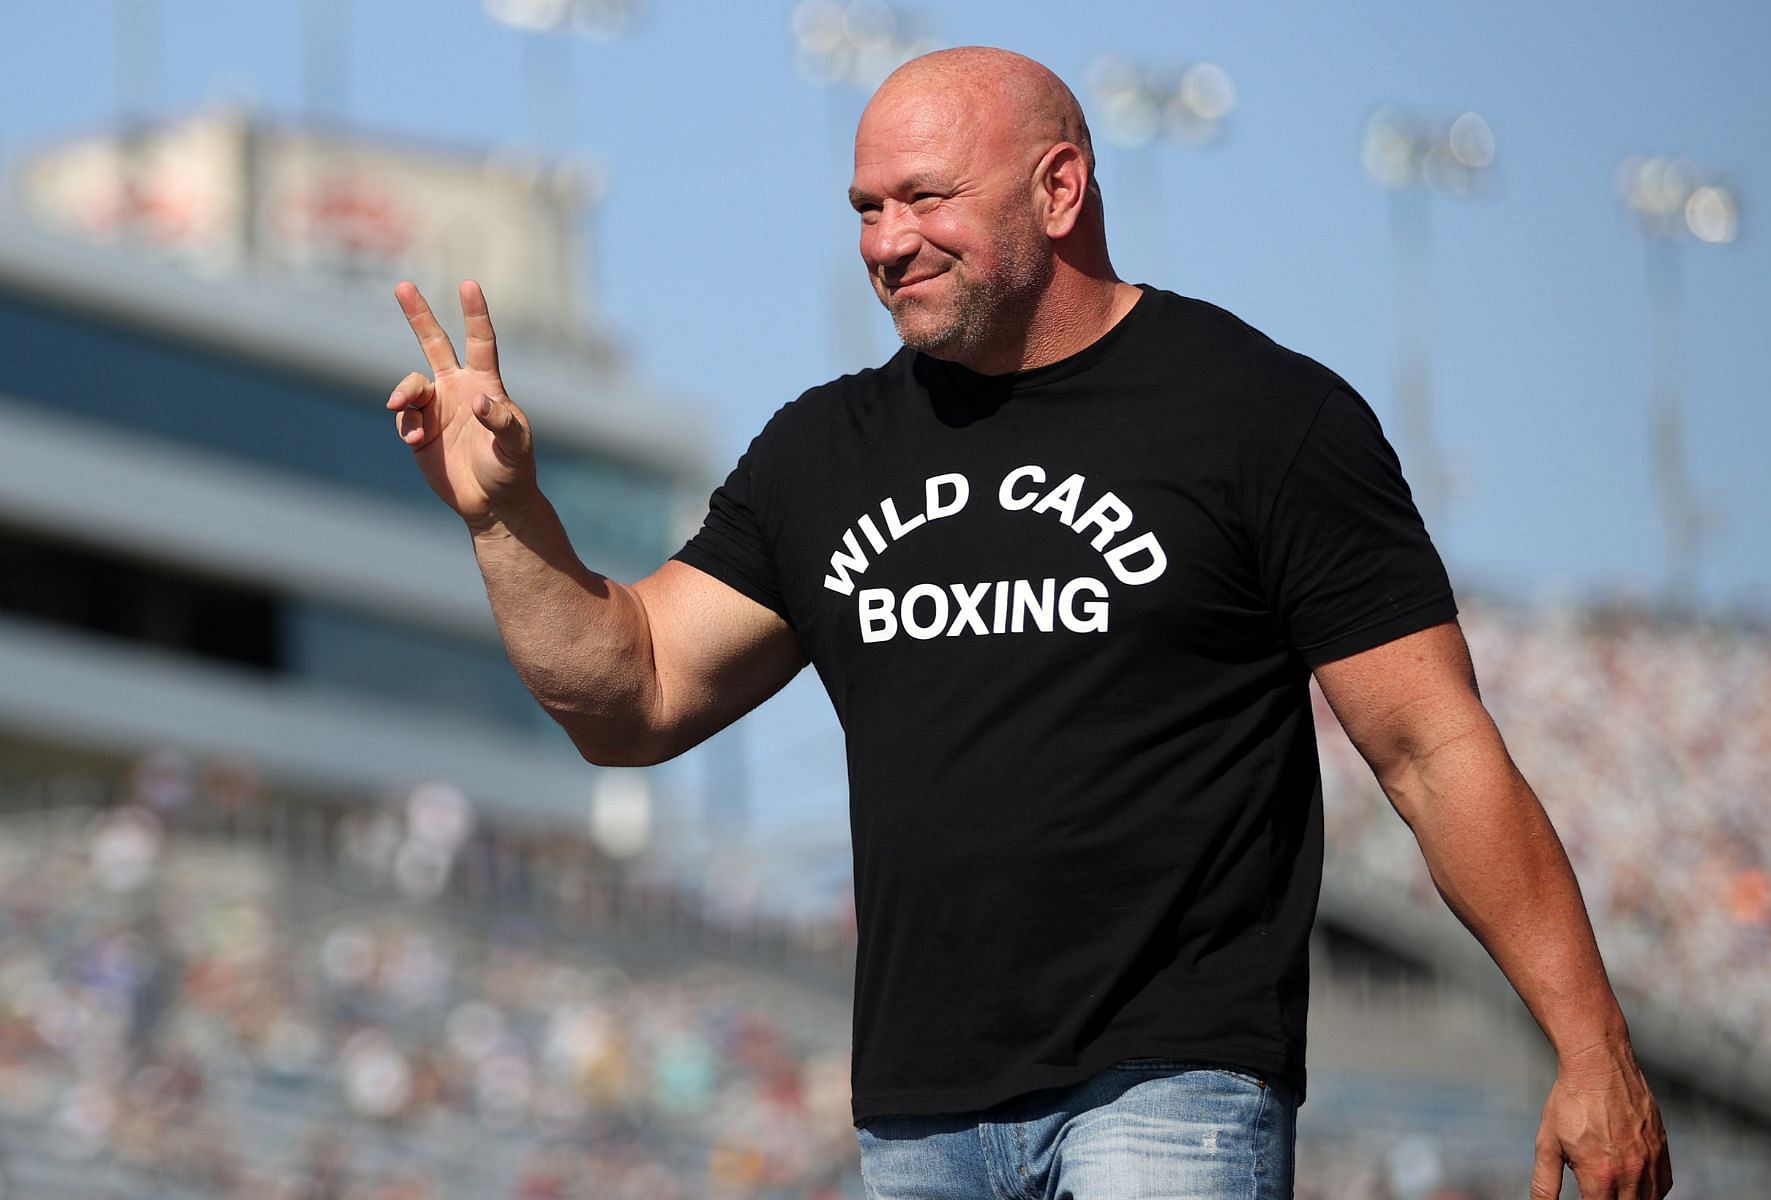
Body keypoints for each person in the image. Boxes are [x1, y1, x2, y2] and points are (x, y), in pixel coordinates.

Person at [384, 45, 1672, 1200]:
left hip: (1169, 1091)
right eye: (867, 210)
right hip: (918, 1117)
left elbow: (1433, 751)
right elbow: (634, 695)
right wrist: (504, 521)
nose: (888, 244)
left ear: (1060, 192)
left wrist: (1589, 1045)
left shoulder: (1263, 419)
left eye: (927, 199)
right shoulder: (822, 452)